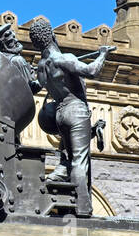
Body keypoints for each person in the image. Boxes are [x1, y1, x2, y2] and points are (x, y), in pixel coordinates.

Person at [27, 19, 114, 218]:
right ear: (52, 36)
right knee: (79, 161)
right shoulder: (63, 59)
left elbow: (35, 87)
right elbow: (92, 71)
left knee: (67, 160)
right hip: (76, 109)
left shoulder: (41, 67)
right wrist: (103, 54)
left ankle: (60, 196)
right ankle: (84, 208)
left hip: (59, 114)